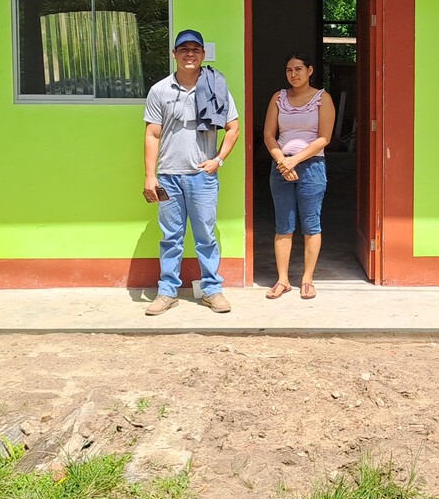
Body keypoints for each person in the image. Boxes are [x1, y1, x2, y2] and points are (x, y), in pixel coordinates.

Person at [142, 29, 240, 315]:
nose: (189, 54)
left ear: (202, 55)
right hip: (169, 176)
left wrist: (217, 160)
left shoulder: (215, 87)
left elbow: (233, 128)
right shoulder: (160, 90)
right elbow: (152, 134)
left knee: (205, 236)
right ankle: (167, 291)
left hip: (202, 177)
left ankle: (212, 290)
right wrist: (151, 176)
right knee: (170, 236)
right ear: (174, 54)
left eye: (195, 49)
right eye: (183, 49)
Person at [263, 53, 335, 300]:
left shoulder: (322, 99)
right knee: (283, 225)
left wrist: (295, 159)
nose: (293, 74)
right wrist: (282, 160)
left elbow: (324, 138)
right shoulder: (278, 98)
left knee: (311, 224)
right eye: (289, 70)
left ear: (310, 70)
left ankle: (307, 279)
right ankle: (282, 280)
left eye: (298, 69)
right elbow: (269, 135)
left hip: (312, 167)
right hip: (281, 166)